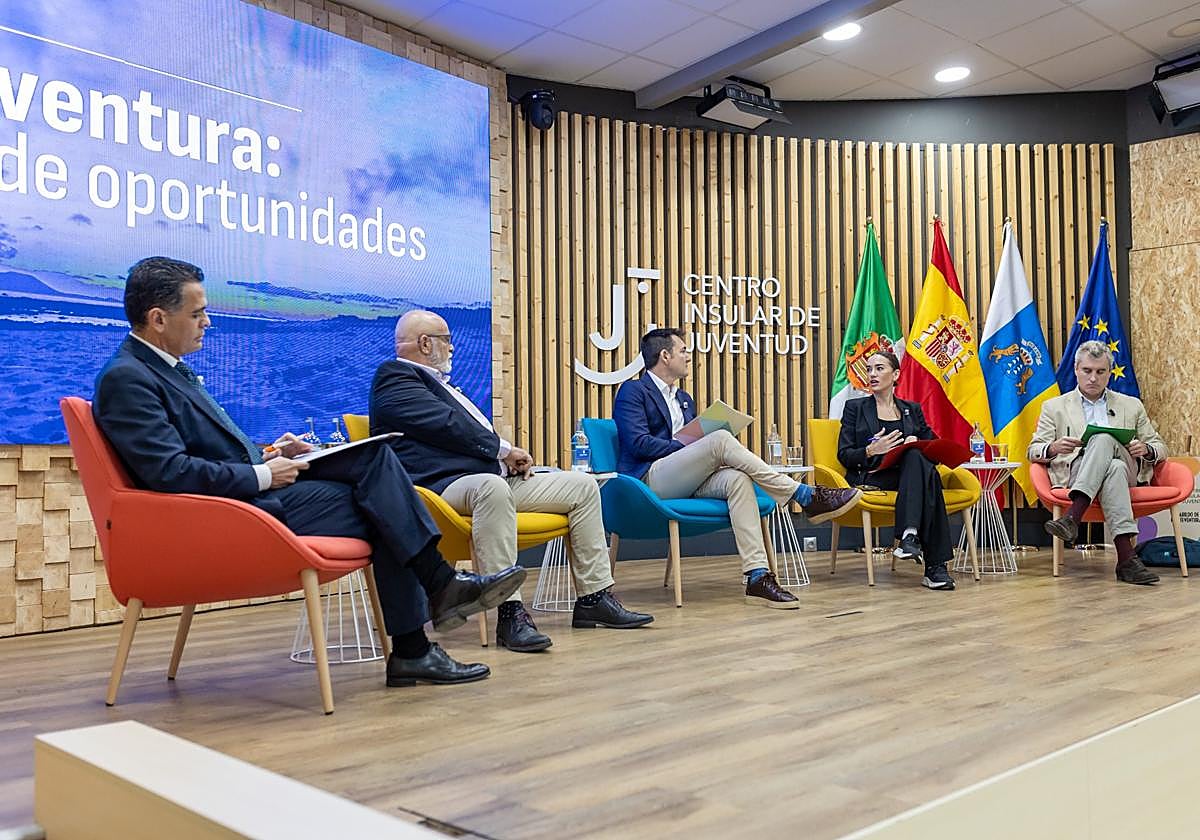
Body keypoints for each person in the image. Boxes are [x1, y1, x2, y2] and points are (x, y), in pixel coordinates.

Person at [92, 257, 526, 687]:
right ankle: (426, 620)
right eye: (197, 313)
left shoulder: (160, 370)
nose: (207, 322)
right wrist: (263, 476)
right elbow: (170, 473)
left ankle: (427, 621)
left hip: (243, 495)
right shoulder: (128, 379)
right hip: (228, 513)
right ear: (158, 319)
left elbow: (195, 453)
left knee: (374, 463)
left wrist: (270, 456)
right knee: (382, 504)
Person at [370, 310, 653, 652]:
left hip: (491, 480)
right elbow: (445, 425)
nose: (453, 348)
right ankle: (510, 612)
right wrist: (503, 451)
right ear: (425, 343)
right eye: (446, 340)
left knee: (581, 486)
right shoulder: (395, 377)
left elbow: (459, 431)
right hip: (441, 488)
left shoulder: (444, 386)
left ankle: (594, 597)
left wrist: (504, 462)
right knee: (492, 488)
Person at [613, 328, 862, 608]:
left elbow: (690, 444)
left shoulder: (684, 399)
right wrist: (693, 447)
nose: (687, 356)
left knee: (737, 479)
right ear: (665, 355)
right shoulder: (633, 391)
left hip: (684, 479)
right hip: (649, 480)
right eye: (683, 350)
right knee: (719, 439)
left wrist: (698, 446)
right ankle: (803, 495)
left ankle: (757, 576)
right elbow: (638, 444)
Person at [1028, 339, 1167, 585]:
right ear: (1076, 370)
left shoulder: (1131, 405)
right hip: (1078, 469)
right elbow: (1033, 450)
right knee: (1111, 468)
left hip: (1129, 469)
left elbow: (1160, 447)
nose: (1093, 378)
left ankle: (1073, 516)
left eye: (1100, 372)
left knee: (1104, 438)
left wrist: (1145, 449)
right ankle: (1127, 559)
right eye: (1087, 371)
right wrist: (1054, 447)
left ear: (1109, 373)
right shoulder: (1054, 407)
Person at [836, 351, 957, 591]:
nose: (872, 374)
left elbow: (931, 443)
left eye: (879, 368)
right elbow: (844, 454)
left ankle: (910, 536)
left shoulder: (912, 409)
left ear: (896, 374)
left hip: (908, 479)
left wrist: (916, 441)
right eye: (869, 369)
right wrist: (871, 450)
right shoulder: (855, 408)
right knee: (929, 479)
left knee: (917, 459)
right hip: (874, 476)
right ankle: (935, 566)